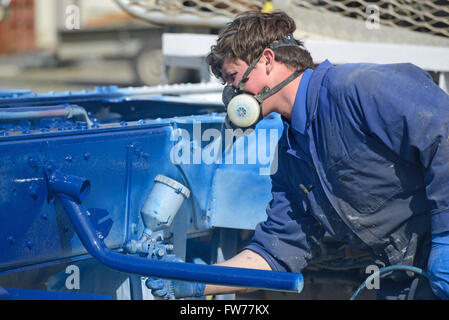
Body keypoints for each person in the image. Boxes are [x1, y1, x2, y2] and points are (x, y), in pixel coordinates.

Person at [147, 10, 449, 300]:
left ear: (267, 60)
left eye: (234, 78)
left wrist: (445, 236)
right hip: (407, 279)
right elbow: (276, 253)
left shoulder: (360, 89)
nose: (231, 95)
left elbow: (442, 136)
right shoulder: (291, 157)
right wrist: (195, 283)